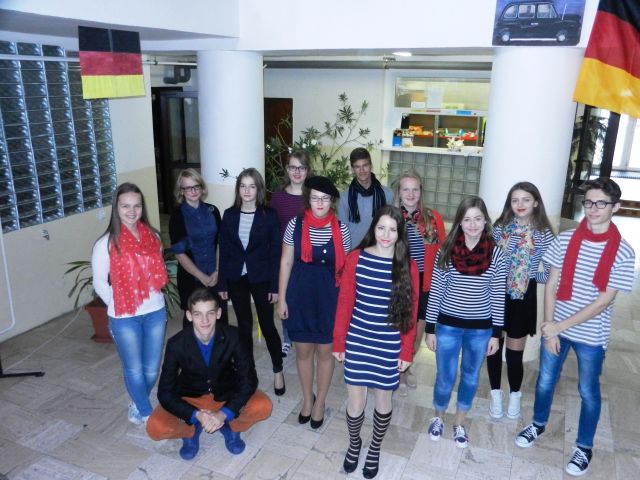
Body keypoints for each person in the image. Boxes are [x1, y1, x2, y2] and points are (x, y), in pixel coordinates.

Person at [515, 178, 635, 476]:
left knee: (588, 391)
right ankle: (538, 424)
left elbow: (603, 302)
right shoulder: (566, 240)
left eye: (601, 203)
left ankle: (584, 446)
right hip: (556, 326)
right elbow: (551, 284)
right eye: (589, 202)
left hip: (591, 335)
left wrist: (559, 326)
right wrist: (549, 325)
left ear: (615, 207)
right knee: (545, 380)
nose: (593, 208)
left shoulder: (624, 252)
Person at [333, 205, 419, 479]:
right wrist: (339, 342)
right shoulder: (356, 258)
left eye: (392, 230)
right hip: (358, 339)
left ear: (400, 233)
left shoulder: (408, 266)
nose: (386, 234)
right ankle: (354, 443)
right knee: (355, 402)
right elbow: (345, 302)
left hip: (389, 343)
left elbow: (411, 312)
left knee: (383, 400)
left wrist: (406, 351)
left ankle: (375, 448)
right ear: (374, 228)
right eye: (381, 227)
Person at [146, 288, 272, 459]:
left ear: (218, 313)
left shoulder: (234, 336)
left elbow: (249, 379)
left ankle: (231, 427)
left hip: (226, 393)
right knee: (155, 428)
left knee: (264, 406)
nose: (204, 320)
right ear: (189, 315)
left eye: (210, 313)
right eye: (198, 314)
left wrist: (224, 413)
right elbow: (164, 392)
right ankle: (190, 432)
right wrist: (194, 414)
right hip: (191, 397)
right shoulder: (176, 344)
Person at [425, 196, 506, 449]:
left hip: (480, 330)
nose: (472, 225)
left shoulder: (497, 254)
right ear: (459, 221)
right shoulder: (446, 251)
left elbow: (497, 296)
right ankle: (438, 417)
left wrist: (496, 334)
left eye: (478, 219)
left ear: (486, 221)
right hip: (447, 326)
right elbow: (436, 291)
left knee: (470, 376)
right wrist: (430, 329)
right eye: (467, 219)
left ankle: (459, 422)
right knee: (445, 376)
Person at [278, 176, 351, 430]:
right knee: (303, 351)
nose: (320, 203)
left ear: (332, 202)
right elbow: (286, 262)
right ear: (308, 199)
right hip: (299, 296)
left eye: (325, 198)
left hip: (330, 298)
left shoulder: (341, 229)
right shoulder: (294, 225)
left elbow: (346, 270)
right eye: (315, 198)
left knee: (325, 352)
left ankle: (320, 402)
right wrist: (281, 298)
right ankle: (307, 399)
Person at [92, 182, 168, 425]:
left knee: (152, 369)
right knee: (134, 369)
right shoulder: (106, 243)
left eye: (137, 206)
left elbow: (158, 271)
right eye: (125, 206)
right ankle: (146, 412)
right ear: (116, 208)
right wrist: (118, 303)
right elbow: (99, 282)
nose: (132, 211)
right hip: (124, 317)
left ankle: (137, 403)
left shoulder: (153, 237)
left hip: (155, 311)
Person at [486, 182, 554, 420]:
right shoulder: (499, 228)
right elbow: (489, 261)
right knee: (493, 348)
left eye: (526, 199)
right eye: (515, 200)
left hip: (523, 298)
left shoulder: (544, 233)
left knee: (515, 354)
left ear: (535, 202)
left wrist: (532, 276)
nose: (520, 204)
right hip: (496, 293)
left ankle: (515, 394)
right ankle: (495, 393)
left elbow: (552, 273)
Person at [218, 168, 285, 396]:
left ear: (259, 189)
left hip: (262, 276)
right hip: (236, 277)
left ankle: (278, 369)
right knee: (244, 326)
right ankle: (248, 372)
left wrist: (275, 286)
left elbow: (275, 253)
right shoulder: (229, 215)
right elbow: (225, 250)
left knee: (267, 325)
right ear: (238, 189)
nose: (247, 191)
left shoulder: (269, 215)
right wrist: (222, 283)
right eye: (243, 186)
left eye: (252, 186)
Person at [393, 171, 445, 395]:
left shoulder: (433, 218)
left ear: (421, 192)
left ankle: (407, 366)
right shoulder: (390, 216)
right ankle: (395, 369)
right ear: (399, 192)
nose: (411, 194)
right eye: (406, 189)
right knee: (399, 326)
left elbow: (442, 252)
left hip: (425, 281)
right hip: (398, 278)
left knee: (418, 327)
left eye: (415, 189)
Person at [169, 168, 227, 328]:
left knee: (220, 319)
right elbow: (180, 254)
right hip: (192, 277)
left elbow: (220, 243)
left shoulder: (213, 211)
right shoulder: (177, 216)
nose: (193, 191)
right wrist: (202, 277)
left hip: (216, 274)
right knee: (193, 321)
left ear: (202, 188)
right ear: (181, 191)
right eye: (188, 188)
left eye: (196, 186)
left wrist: (217, 271)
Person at [271, 151, 311, 357]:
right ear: (287, 170)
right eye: (293, 167)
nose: (297, 172)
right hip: (284, 256)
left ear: (307, 170)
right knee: (285, 295)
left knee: (303, 297)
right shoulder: (278, 197)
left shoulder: (312, 196)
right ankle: (287, 337)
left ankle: (304, 334)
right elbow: (273, 228)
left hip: (306, 257)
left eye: (301, 168)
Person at [338, 147, 393, 247]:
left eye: (365, 165)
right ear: (352, 169)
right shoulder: (344, 198)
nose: (362, 170)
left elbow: (392, 226)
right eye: (357, 167)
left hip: (379, 250)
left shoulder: (388, 194)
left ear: (371, 166)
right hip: (353, 252)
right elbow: (342, 232)